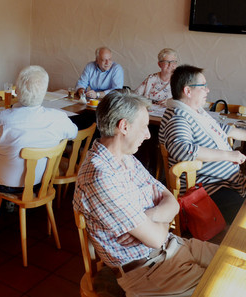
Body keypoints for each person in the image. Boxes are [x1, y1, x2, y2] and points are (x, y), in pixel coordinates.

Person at [73, 90, 218, 296]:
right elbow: (156, 238)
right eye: (143, 127)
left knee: (236, 262)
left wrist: (149, 216)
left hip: (175, 247)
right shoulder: (101, 176)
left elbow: (173, 203)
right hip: (151, 270)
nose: (148, 134)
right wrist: (160, 217)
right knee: (228, 285)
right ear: (124, 127)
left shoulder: (124, 158)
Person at [0, 65, 78, 226]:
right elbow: (73, 133)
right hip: (41, 183)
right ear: (44, 93)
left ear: (16, 91)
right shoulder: (58, 118)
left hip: (5, 184)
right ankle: (6, 205)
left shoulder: (1, 119)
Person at [159, 64, 246, 224]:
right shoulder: (178, 117)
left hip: (225, 182)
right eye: (203, 86)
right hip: (208, 190)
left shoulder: (196, 112)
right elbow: (182, 149)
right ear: (188, 91)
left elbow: (222, 130)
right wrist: (228, 155)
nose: (207, 90)